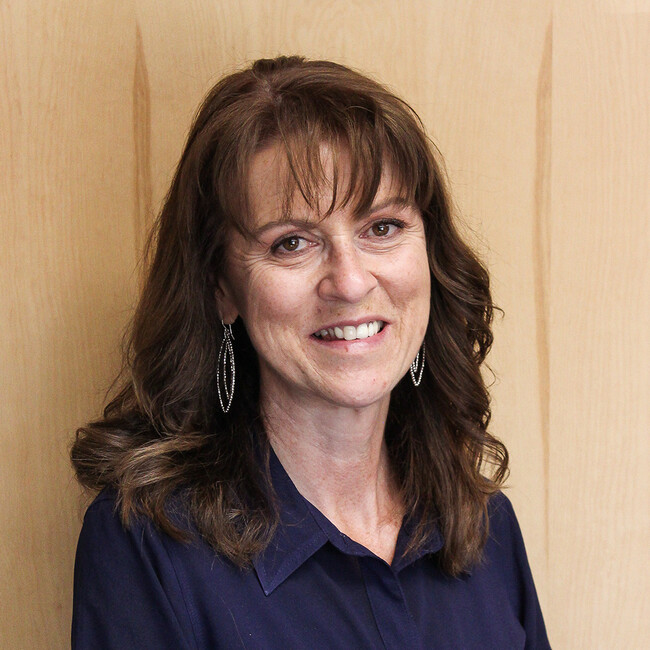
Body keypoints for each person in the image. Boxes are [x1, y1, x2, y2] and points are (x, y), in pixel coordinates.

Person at [71, 55, 551, 649]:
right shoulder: (150, 546)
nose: (350, 282)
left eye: (382, 227)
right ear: (221, 288)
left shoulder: (484, 530)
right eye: (292, 242)